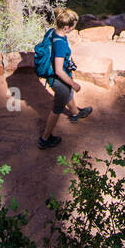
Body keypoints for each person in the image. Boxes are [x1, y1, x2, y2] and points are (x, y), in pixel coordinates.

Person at [38, 8, 93, 150]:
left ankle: (75, 113)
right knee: (57, 108)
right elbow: (58, 70)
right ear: (67, 27)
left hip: (53, 74)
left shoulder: (52, 32)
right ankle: (45, 139)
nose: (75, 26)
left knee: (67, 93)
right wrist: (74, 84)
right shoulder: (60, 43)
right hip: (57, 78)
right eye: (74, 25)